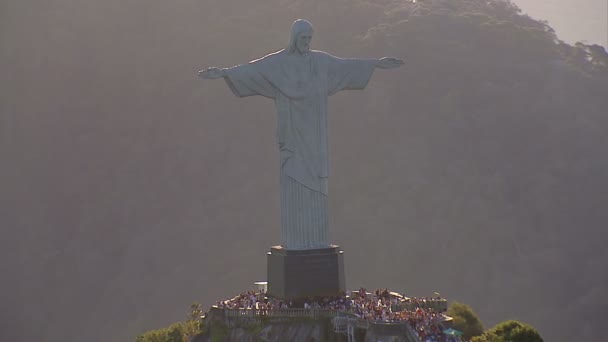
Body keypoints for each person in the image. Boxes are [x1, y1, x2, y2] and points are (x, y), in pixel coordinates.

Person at [199, 19, 403, 249]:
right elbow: (253, 69)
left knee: (316, 182)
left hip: (316, 136)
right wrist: (224, 73)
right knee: (294, 179)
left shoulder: (320, 62)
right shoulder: (279, 63)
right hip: (293, 137)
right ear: (294, 39)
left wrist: (376, 64)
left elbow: (345, 66)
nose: (307, 42)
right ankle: (297, 242)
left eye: (309, 38)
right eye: (303, 38)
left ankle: (316, 242)